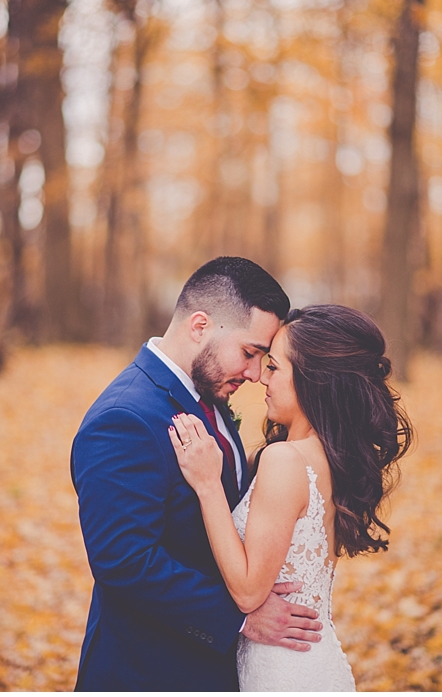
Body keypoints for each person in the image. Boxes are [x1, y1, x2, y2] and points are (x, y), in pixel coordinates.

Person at [71, 258, 322, 692]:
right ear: (200, 325)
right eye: (249, 353)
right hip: (148, 671)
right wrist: (239, 617)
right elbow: (123, 561)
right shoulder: (124, 418)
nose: (254, 373)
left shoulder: (208, 395)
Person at [169, 304, 412, 693]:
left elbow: (249, 592)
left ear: (313, 380)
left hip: (285, 671)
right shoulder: (326, 455)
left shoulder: (286, 460)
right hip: (306, 658)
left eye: (275, 367)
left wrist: (208, 485)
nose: (261, 379)